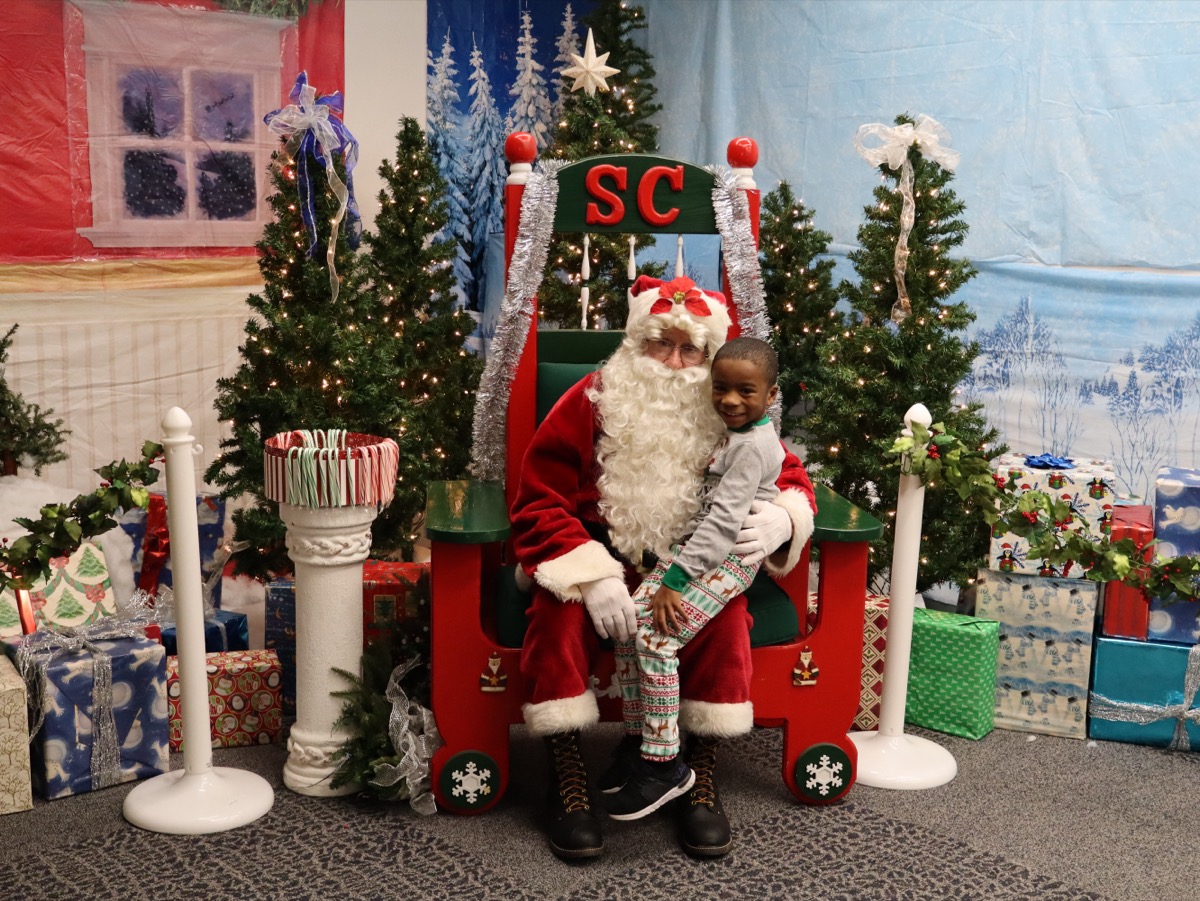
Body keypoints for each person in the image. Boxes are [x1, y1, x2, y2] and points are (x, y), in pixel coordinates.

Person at [509, 275, 816, 861]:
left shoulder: (728, 406)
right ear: (636, 342)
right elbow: (538, 498)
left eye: (689, 349)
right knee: (556, 615)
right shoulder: (592, 399)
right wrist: (591, 575)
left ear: (709, 356)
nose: (674, 363)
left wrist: (785, 518)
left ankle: (695, 769)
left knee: (725, 623)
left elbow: (789, 475)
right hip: (599, 553)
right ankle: (567, 772)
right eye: (660, 344)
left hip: (688, 565)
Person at [602, 337, 784, 821]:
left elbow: (723, 525)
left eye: (745, 391)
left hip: (726, 559)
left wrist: (675, 581)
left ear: (771, 395)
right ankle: (639, 741)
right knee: (629, 625)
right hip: (693, 552)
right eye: (720, 388)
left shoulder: (752, 447)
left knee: (656, 639)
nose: (730, 400)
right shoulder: (731, 432)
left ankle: (664, 765)